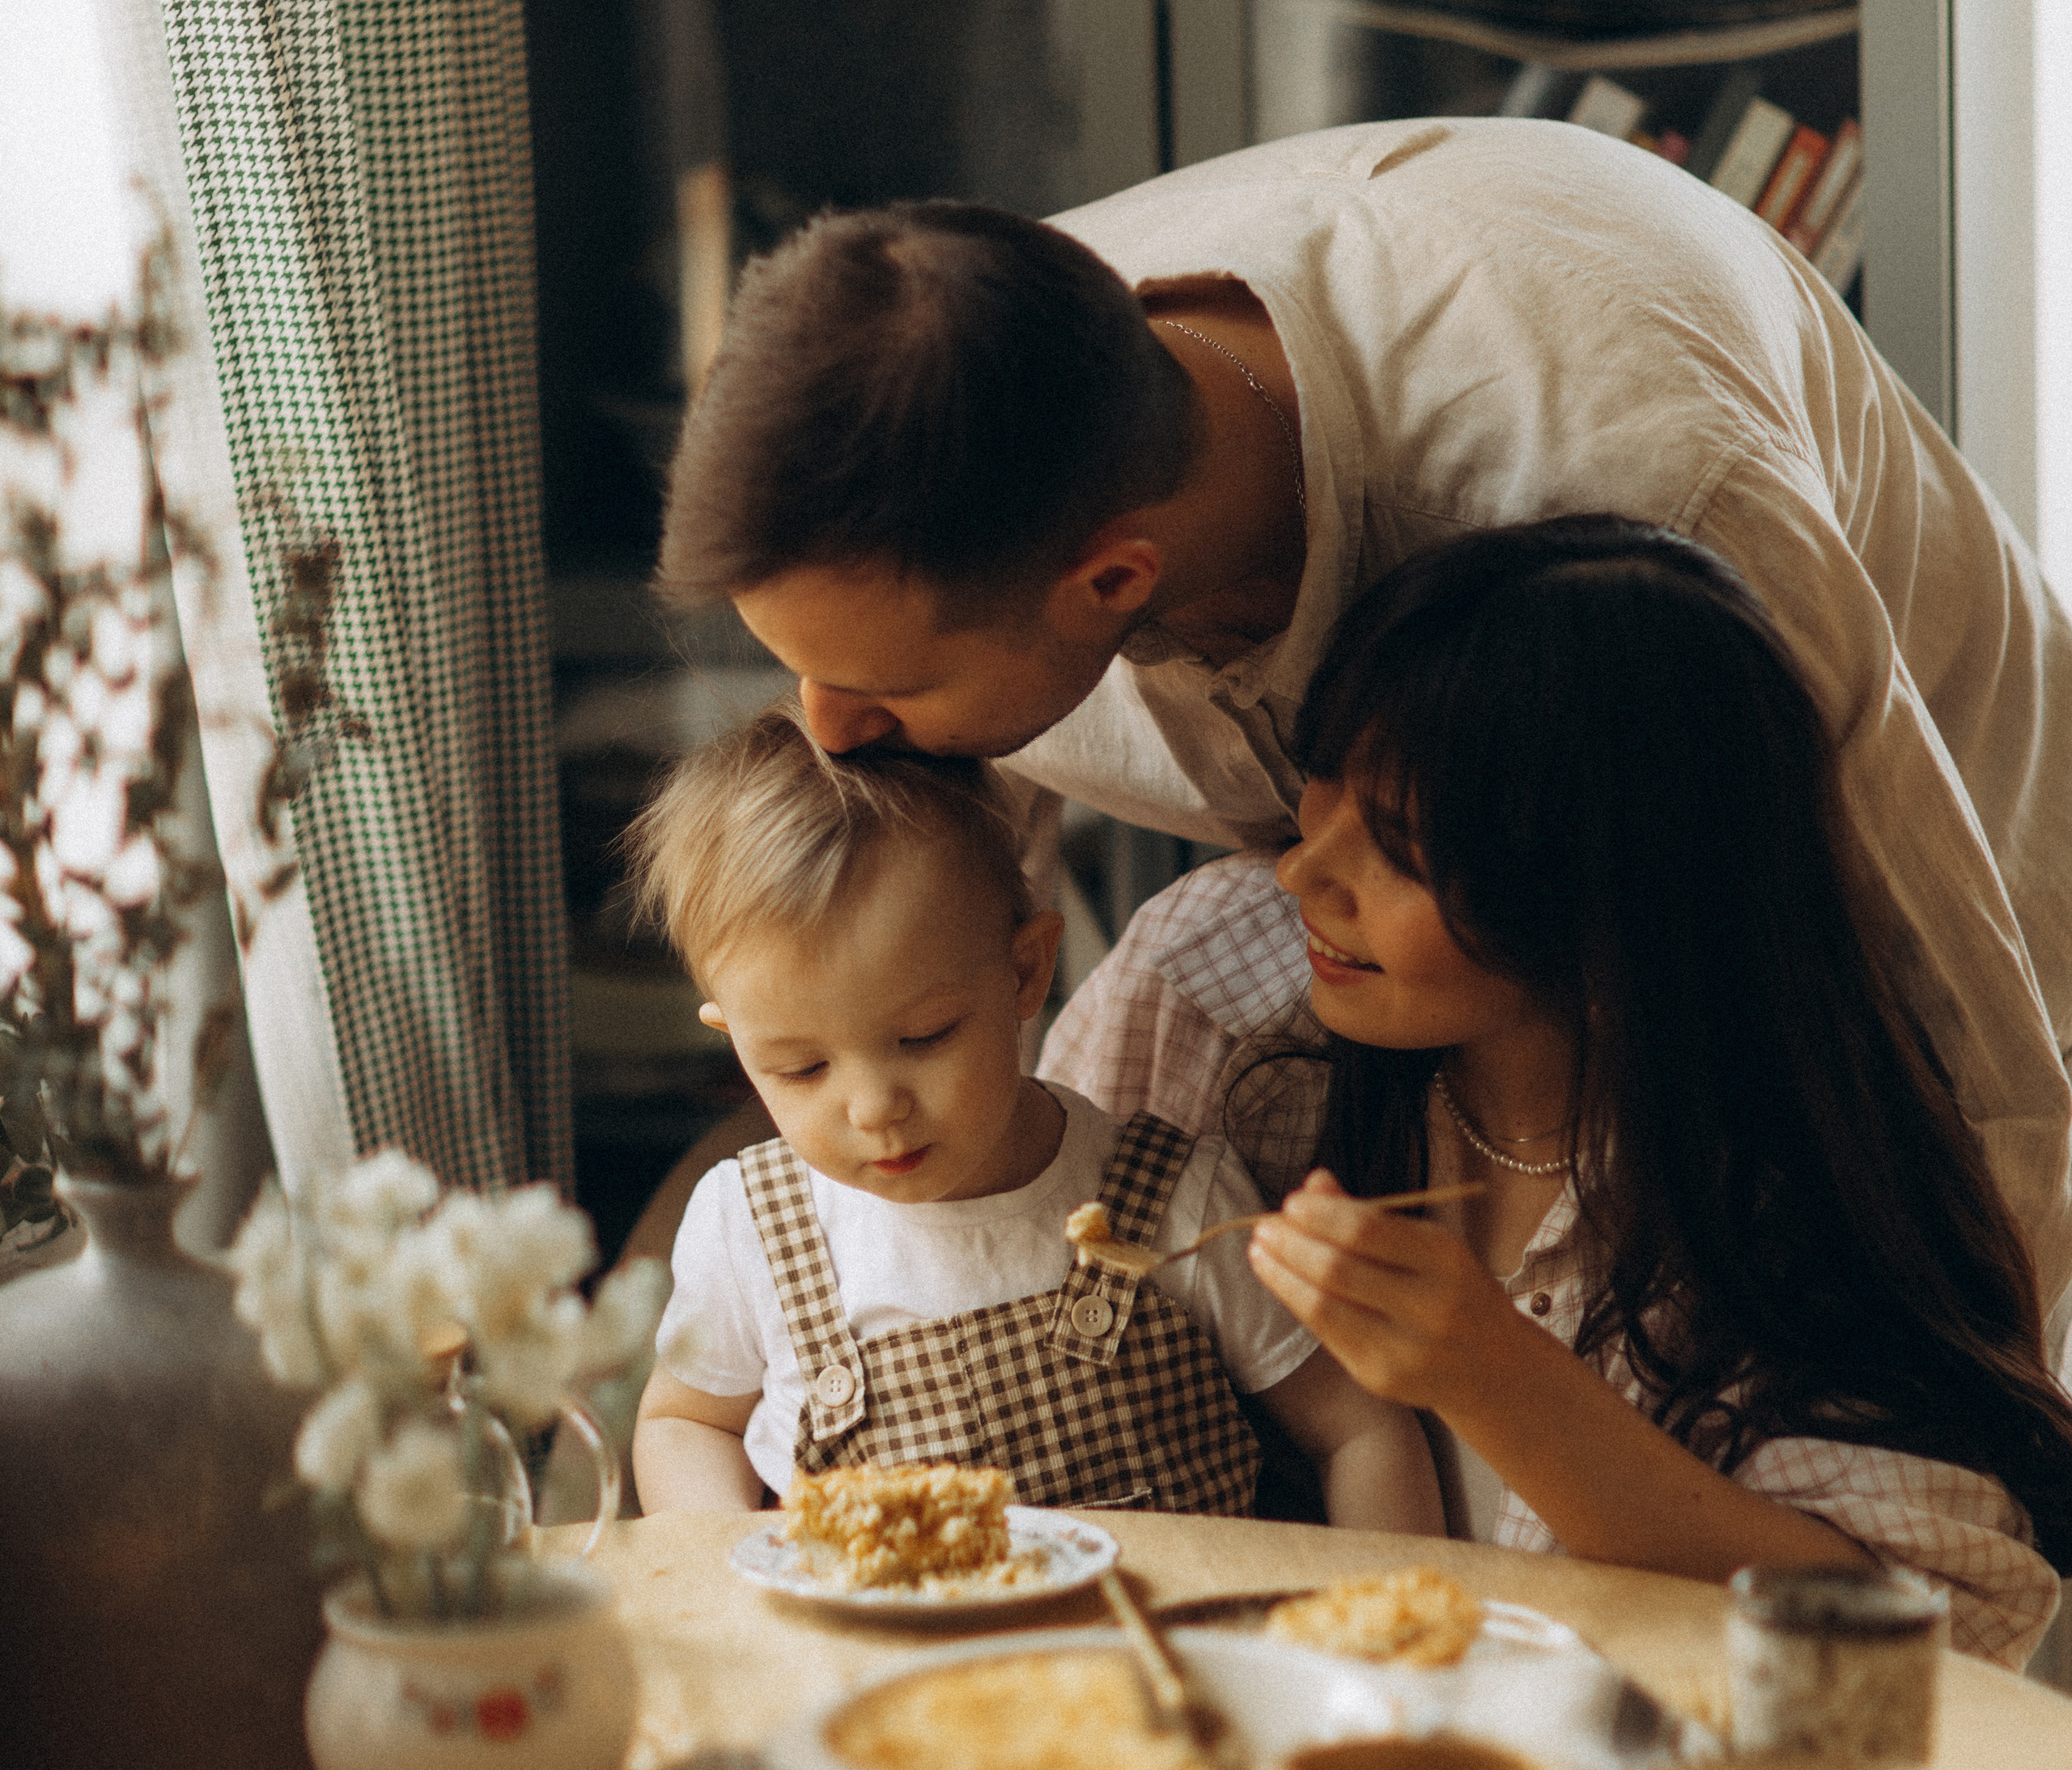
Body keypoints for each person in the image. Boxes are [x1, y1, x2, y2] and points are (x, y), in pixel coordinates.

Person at [653, 122, 2072, 1332]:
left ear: (1112, 584)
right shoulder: (951, 417)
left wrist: (1982, 1442)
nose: (826, 733)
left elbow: (1984, 1060)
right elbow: (898, 956)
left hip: (1911, 867)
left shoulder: (1632, 487)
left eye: (884, 695)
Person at [1212, 517, 2067, 1666]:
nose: (1303, 869)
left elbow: (1921, 1632)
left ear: (1611, 919)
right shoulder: (1219, 1013)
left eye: (1404, 848)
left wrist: (1495, 1379)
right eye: (1325, 785)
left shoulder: (1777, 1206)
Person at [626, 707, 1434, 1530]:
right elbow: (686, 1422)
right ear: (735, 1041)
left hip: (1156, 1652)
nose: (874, 1109)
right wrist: (725, 1549)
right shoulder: (748, 1229)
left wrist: (1386, 1635)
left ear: (1023, 972)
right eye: (800, 1067)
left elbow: (1357, 1429)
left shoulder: (1171, 1200)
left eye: (924, 1036)